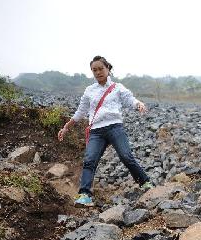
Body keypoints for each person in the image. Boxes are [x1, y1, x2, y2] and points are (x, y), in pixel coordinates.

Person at [58, 55, 153, 206]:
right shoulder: (89, 90)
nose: (98, 72)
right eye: (94, 70)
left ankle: (145, 183)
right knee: (89, 161)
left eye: (101, 68)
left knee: (126, 156)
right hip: (96, 131)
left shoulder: (117, 87)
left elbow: (130, 99)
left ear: (108, 68)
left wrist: (138, 104)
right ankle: (85, 195)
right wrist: (66, 127)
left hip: (115, 127)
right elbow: (80, 112)